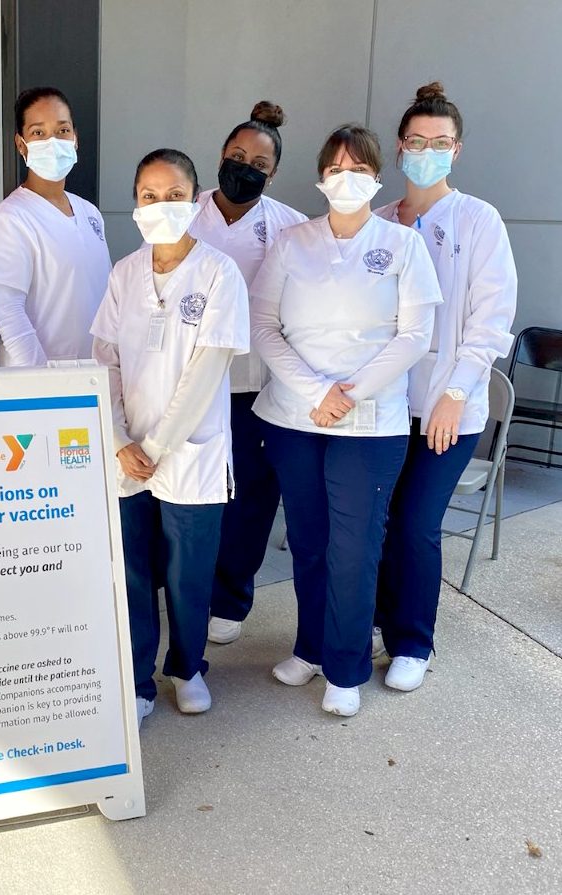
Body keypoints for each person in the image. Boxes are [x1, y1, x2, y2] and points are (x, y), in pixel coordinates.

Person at [250, 124, 442, 716]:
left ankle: (346, 666)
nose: (347, 179)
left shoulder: (403, 245)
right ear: (319, 178)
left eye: (359, 170)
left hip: (370, 420)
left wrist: (352, 392)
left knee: (355, 548)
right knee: (308, 542)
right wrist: (316, 391)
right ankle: (310, 646)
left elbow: (415, 335)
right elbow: (262, 327)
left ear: (377, 178)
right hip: (294, 414)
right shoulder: (291, 243)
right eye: (337, 168)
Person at [91, 149, 248, 728]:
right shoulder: (125, 272)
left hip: (188, 450)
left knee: (187, 572)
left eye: (175, 194)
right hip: (125, 450)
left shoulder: (218, 273)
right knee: (131, 571)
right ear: (135, 203)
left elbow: (207, 370)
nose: (162, 206)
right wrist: (117, 438)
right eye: (150, 196)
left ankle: (187, 668)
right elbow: (103, 359)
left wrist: (153, 448)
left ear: (195, 198)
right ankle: (137, 681)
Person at [373, 83, 517, 691]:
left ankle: (413, 642)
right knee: (374, 518)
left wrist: (456, 392)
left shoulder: (476, 219)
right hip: (381, 405)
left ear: (455, 151)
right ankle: (378, 623)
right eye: (417, 141)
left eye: (440, 143)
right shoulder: (378, 222)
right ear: (401, 147)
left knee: (415, 523)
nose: (427, 151)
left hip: (445, 409)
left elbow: (491, 316)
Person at [189, 101, 308, 646]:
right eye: (237, 156)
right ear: (220, 156)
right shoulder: (183, 212)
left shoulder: (289, 228)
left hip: (256, 387)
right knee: (191, 491)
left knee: (252, 497)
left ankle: (231, 598)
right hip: (190, 382)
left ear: (273, 172)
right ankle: (186, 587)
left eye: (257, 163)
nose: (245, 167)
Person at [0, 86, 111, 365]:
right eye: (38, 132)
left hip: (94, 374)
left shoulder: (89, 213)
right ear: (20, 144)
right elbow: (9, 313)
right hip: (42, 384)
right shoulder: (10, 219)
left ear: (75, 138)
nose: (53, 141)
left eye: (62, 130)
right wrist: (43, 381)